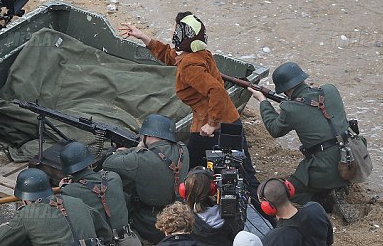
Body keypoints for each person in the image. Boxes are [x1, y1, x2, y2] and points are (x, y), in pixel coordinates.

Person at [118, 14, 262, 208]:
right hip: (224, 121)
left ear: (181, 35)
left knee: (191, 166)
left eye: (174, 27)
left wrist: (212, 124)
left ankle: (183, 206)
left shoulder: (190, 65)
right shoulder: (197, 54)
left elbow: (216, 91)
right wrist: (143, 37)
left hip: (214, 127)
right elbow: (171, 56)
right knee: (237, 172)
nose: (171, 30)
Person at [247, 62, 350, 204]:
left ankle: (326, 200)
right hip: (352, 158)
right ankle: (337, 185)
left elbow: (274, 129)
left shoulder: (290, 108)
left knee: (286, 193)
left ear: (284, 90)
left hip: (326, 169)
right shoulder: (330, 90)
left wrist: (263, 101)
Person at [103, 113, 189, 244]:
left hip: (149, 223)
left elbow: (108, 162)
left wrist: (132, 150)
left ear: (147, 135)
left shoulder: (140, 158)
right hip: (180, 214)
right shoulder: (183, 149)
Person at [0, 167, 104, 246]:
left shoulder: (27, 214)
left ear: (25, 199)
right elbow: (104, 230)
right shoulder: (77, 202)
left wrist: (5, 228)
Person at [59, 141, 142, 246]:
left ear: (68, 171)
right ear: (90, 162)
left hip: (103, 242)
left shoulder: (68, 192)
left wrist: (64, 187)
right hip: (129, 241)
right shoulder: (113, 177)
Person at [257, 178, 333, 246]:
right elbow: (329, 242)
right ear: (289, 190)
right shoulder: (316, 209)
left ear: (266, 205)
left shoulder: (272, 239)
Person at [180, 167, 241, 246]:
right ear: (213, 189)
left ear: (184, 190)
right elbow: (237, 231)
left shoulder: (182, 219)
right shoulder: (228, 215)